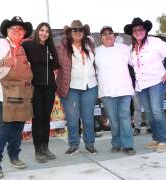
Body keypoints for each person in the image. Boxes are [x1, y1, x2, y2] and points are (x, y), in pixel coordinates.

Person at [0, 16, 33, 179]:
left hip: (18, 95)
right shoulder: (1, 44)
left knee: (16, 128)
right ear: (7, 31)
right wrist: (2, 61)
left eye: (20, 29)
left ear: (24, 33)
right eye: (13, 28)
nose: (17, 31)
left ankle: (14, 157)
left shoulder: (21, 48)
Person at [124, 17, 166, 153]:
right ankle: (156, 138)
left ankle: (163, 140)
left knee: (157, 111)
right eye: (135, 30)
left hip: (156, 82)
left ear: (145, 30)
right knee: (148, 113)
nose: (138, 31)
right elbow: (128, 63)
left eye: (140, 29)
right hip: (141, 85)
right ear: (132, 33)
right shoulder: (131, 49)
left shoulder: (155, 42)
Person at [56, 20, 98, 155]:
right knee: (72, 118)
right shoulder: (63, 46)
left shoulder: (90, 44)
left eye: (80, 30)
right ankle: (73, 144)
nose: (78, 32)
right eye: (74, 30)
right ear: (69, 33)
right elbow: (55, 63)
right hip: (71, 88)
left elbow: (96, 64)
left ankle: (90, 144)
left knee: (88, 117)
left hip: (90, 86)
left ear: (84, 32)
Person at [22, 22, 59, 163]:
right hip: (36, 88)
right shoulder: (28, 45)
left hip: (49, 88)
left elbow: (55, 64)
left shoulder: (50, 48)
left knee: (46, 118)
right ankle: (38, 150)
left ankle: (45, 147)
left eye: (47, 31)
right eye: (42, 30)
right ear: (37, 31)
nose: (44, 33)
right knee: (37, 118)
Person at [95, 26, 135, 155]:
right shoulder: (96, 51)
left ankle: (128, 145)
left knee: (124, 117)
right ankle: (116, 144)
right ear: (101, 38)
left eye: (110, 33)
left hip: (124, 90)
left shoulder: (124, 48)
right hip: (107, 92)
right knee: (113, 120)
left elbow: (136, 63)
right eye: (104, 34)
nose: (107, 36)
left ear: (114, 35)